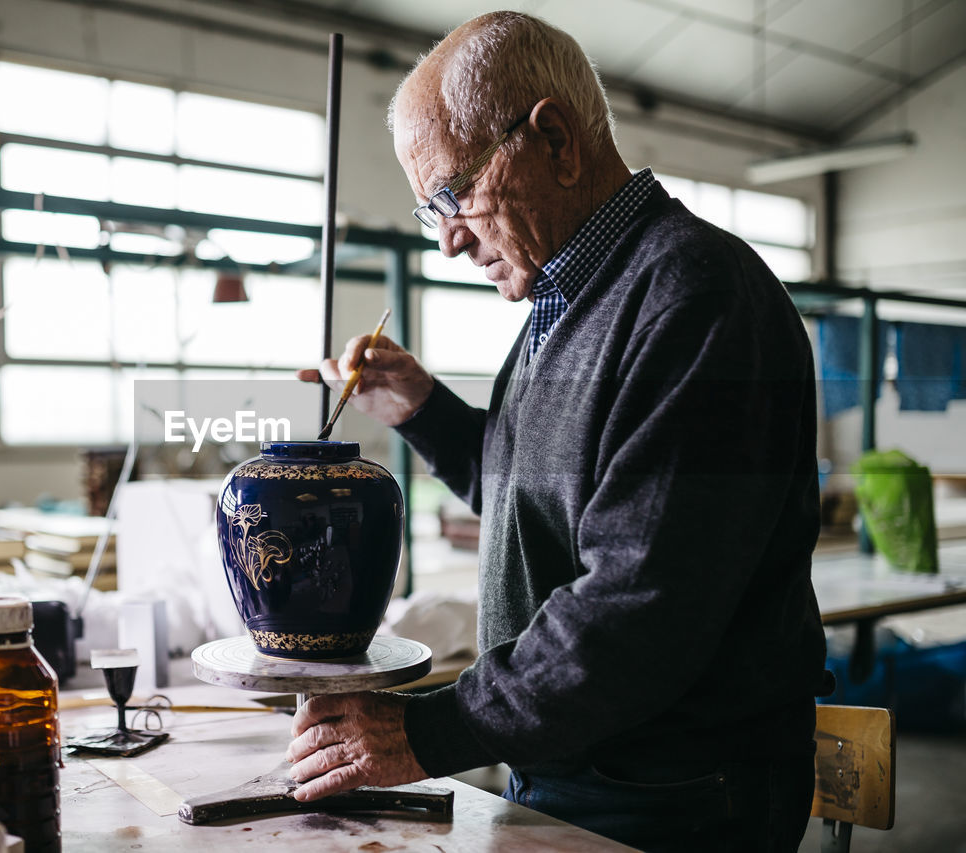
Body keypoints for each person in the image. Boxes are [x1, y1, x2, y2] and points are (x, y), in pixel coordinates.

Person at [289, 11, 830, 852]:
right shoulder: (568, 299)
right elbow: (538, 499)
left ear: (555, 140)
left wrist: (427, 731)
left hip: (675, 794)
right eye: (428, 207)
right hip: (578, 766)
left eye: (452, 194)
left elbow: (640, 605)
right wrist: (422, 409)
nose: (448, 239)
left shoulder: (695, 296)